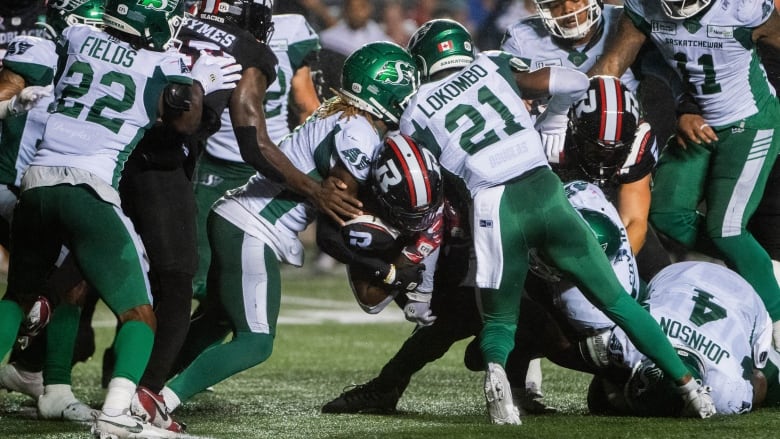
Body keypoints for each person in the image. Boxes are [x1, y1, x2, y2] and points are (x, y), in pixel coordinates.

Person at [399, 18, 714, 424]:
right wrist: (553, 121)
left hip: (494, 206)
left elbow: (425, 186)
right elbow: (573, 82)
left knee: (499, 317)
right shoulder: (493, 64)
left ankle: (501, 386)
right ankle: (692, 389)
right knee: (619, 302)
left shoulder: (414, 112)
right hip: (544, 189)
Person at [135, 41, 420, 432]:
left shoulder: (342, 116)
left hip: (238, 216)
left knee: (217, 319)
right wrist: (385, 266)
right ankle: (153, 403)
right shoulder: (359, 136)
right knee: (256, 341)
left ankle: (145, 385)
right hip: (253, 225)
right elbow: (334, 234)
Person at [0, 0, 213, 436]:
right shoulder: (164, 61)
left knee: (18, 297)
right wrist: (199, 83)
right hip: (90, 188)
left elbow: (32, 74)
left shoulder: (76, 36)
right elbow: (183, 119)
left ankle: (54, 388)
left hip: (37, 181)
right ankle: (117, 414)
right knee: (140, 313)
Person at [587, 0, 780, 347]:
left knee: (727, 228)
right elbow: (612, 64)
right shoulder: (645, 7)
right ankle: (754, 263)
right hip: (696, 121)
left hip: (751, 121)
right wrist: (577, 102)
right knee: (666, 215)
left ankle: (778, 318)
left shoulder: (742, 8)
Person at [191, 11, 322, 301]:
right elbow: (306, 106)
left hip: (233, 162)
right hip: (270, 164)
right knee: (237, 280)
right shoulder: (293, 28)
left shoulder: (206, 27)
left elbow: (305, 104)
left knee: (201, 277)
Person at [587, 261, 774, 417]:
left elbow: (759, 380)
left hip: (744, 299)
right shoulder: (629, 344)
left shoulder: (725, 391)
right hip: (680, 276)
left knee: (769, 381)